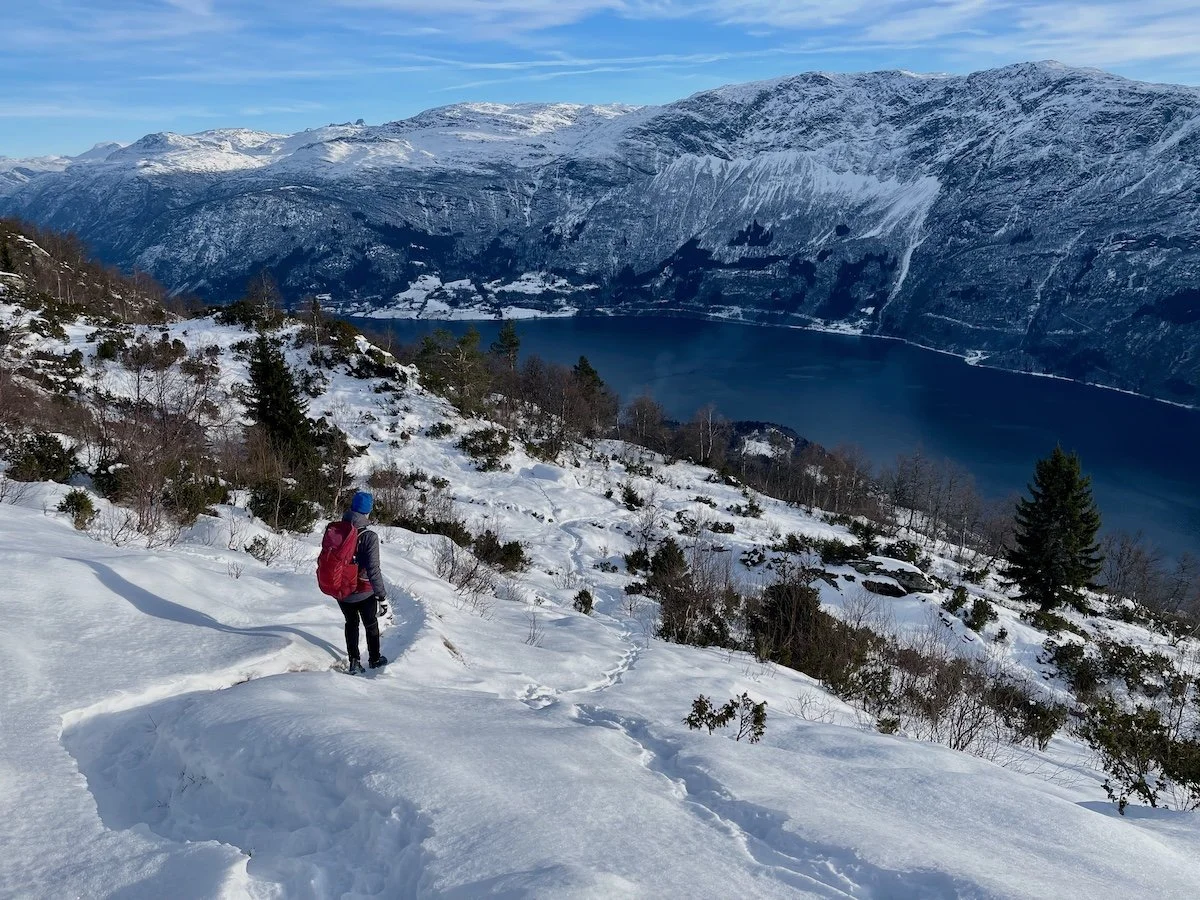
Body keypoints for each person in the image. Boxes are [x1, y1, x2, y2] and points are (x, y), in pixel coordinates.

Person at [340, 490, 388, 674]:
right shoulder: (369, 537)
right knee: (370, 623)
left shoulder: (337, 529)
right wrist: (381, 596)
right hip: (362, 590)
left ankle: (354, 661)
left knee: (351, 623)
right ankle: (375, 659)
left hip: (341, 589)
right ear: (368, 512)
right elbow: (374, 570)